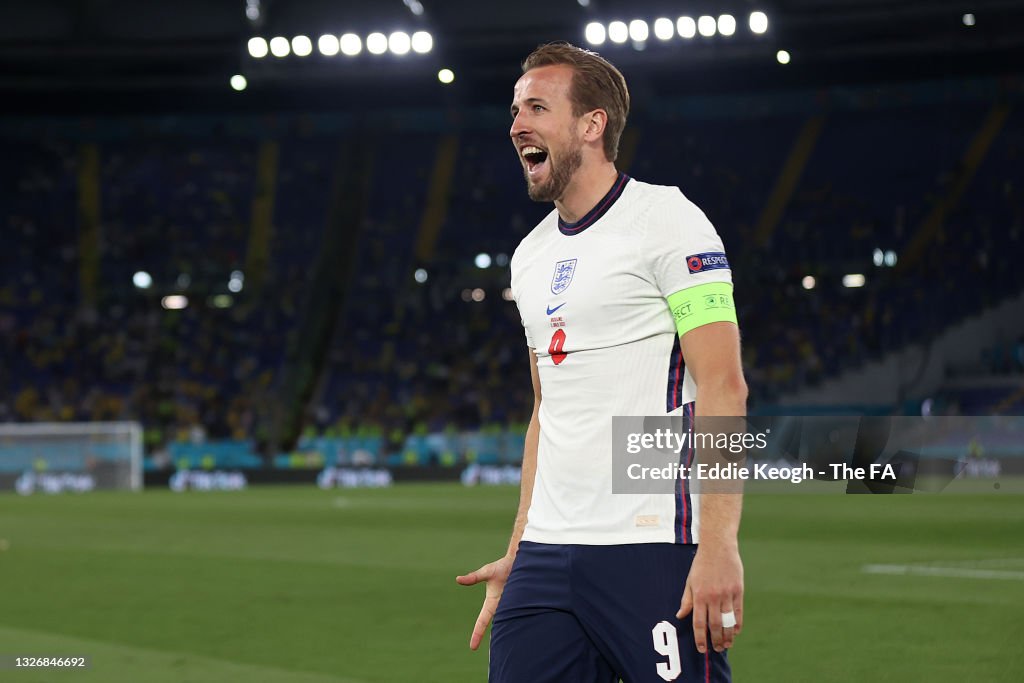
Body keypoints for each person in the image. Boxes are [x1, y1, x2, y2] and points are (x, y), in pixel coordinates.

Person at [457, 42, 747, 682]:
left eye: (537, 107)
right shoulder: (528, 257)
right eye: (513, 109)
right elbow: (545, 412)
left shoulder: (668, 221)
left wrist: (720, 544)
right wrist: (518, 549)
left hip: (651, 546)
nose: (516, 125)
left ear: (593, 125)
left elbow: (725, 386)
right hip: (544, 559)